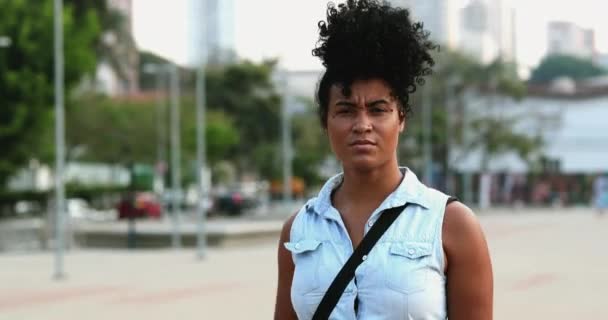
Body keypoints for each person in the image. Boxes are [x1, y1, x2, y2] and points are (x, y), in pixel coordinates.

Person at [274, 1, 493, 319]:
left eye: (378, 110)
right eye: (346, 110)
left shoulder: (452, 225)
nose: (362, 125)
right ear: (326, 121)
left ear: (401, 118)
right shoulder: (298, 231)